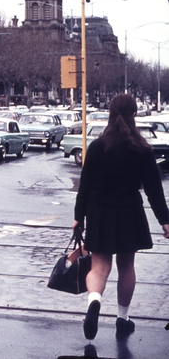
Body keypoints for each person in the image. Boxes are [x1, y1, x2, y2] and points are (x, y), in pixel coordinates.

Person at [72, 93, 169, 340]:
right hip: (129, 212)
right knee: (126, 266)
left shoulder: (96, 147)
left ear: (110, 115)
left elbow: (85, 186)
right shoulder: (142, 149)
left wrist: (78, 217)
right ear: (134, 115)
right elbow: (153, 189)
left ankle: (94, 301)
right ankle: (122, 318)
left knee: (99, 265)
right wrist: (164, 220)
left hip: (99, 211)